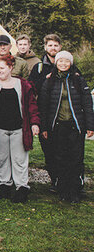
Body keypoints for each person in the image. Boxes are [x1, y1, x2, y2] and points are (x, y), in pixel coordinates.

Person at [38, 51, 94, 203]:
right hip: (57, 126)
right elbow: (43, 106)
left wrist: (90, 125)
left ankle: (75, 190)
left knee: (75, 159)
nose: (63, 64)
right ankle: (63, 189)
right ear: (56, 63)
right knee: (60, 158)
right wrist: (44, 127)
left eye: (66, 61)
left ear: (71, 63)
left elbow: (88, 104)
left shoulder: (78, 79)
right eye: (60, 61)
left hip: (75, 125)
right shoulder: (49, 81)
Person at [0, 55, 40, 203]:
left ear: (10, 68)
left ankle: (21, 188)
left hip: (19, 129)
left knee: (19, 159)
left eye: (2, 68)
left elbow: (32, 106)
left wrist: (35, 123)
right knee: (1, 159)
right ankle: (5, 186)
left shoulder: (23, 85)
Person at [28, 34, 62, 186]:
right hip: (45, 114)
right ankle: (55, 179)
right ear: (45, 47)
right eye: (50, 45)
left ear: (60, 47)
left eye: (55, 45)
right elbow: (31, 87)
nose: (53, 48)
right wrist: (45, 79)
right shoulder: (39, 67)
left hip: (63, 115)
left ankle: (68, 182)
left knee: (66, 151)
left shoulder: (67, 63)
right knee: (49, 150)